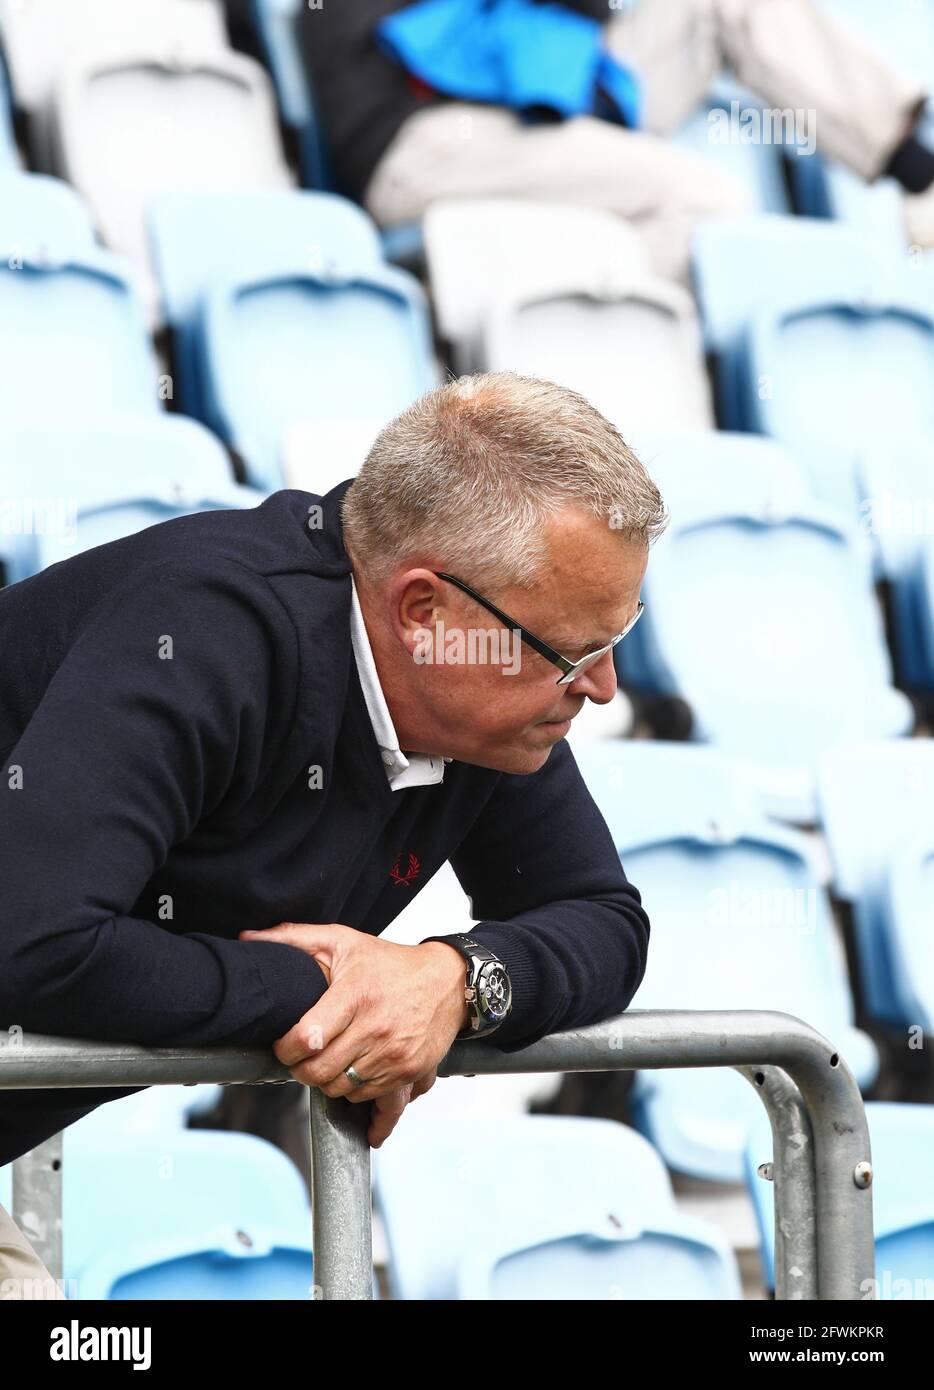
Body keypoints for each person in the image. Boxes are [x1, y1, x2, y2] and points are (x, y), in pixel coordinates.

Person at [0, 370, 660, 1295]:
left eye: (619, 640)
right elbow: (33, 946)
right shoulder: (205, 628)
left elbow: (601, 917)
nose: (603, 690)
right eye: (574, 653)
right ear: (425, 613)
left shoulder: (485, 704)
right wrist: (325, 992)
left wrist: (451, 981)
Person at [297, 0, 934, 282]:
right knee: (705, 197)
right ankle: (551, 334)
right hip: (434, 142)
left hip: (560, 106)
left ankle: (919, 172)